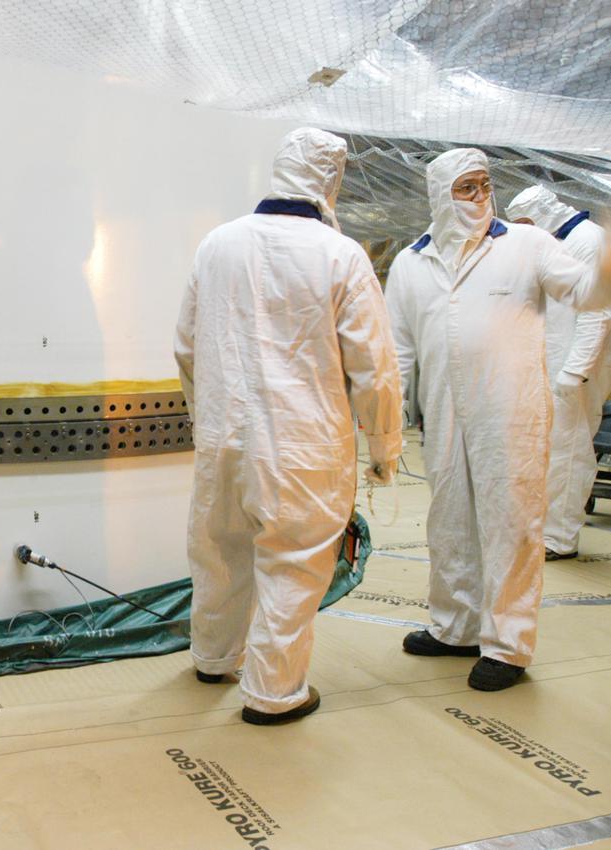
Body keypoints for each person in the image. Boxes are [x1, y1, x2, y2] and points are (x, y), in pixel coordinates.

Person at [174, 127, 403, 725]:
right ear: (331, 179)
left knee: (220, 549)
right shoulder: (341, 255)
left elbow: (186, 347)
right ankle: (274, 694)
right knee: (294, 563)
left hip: (223, 439)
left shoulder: (217, 245)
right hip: (302, 446)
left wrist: (208, 420)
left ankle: (214, 656)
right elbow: (374, 368)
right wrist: (383, 445)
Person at [385, 150, 611, 692]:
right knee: (449, 518)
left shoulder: (527, 245)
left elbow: (585, 294)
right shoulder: (412, 262)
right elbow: (398, 348)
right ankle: (455, 628)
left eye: (484, 185)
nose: (479, 197)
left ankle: (507, 645)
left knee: (512, 522)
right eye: (466, 188)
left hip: (511, 409)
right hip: (445, 411)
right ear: (440, 196)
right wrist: (388, 419)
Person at [505, 186, 611, 561]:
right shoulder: (552, 243)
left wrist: (576, 370)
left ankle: (560, 538)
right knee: (542, 451)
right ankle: (540, 528)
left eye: (525, 223)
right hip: (548, 364)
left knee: (568, 452)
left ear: (542, 214)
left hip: (572, 371)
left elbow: (597, 311)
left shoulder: (589, 240)